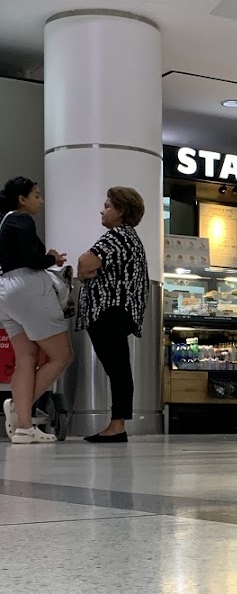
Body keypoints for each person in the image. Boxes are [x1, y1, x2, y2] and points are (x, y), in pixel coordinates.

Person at [0, 176, 73, 444]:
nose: (41, 201)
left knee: (25, 358)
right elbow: (33, 260)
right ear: (22, 199)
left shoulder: (4, 221)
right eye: (36, 195)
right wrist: (51, 258)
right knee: (62, 356)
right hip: (29, 288)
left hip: (6, 292)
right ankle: (20, 409)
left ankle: (24, 428)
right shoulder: (22, 220)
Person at [77, 187, 149, 444]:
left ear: (121, 211)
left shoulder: (118, 236)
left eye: (107, 206)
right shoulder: (128, 238)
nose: (102, 210)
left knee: (117, 367)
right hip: (118, 311)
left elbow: (85, 264)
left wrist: (86, 272)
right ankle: (117, 424)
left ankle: (117, 425)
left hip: (110, 310)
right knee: (118, 367)